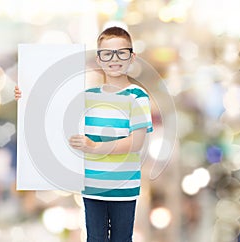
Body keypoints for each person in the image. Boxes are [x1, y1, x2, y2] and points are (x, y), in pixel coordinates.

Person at [15, 26, 153, 242]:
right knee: (95, 238)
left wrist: (97, 147)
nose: (114, 59)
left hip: (124, 187)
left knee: (122, 238)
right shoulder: (87, 97)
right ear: (99, 59)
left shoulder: (137, 96)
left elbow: (136, 142)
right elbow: (54, 112)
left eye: (121, 53)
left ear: (132, 57)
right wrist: (26, 95)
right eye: (107, 54)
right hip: (91, 187)